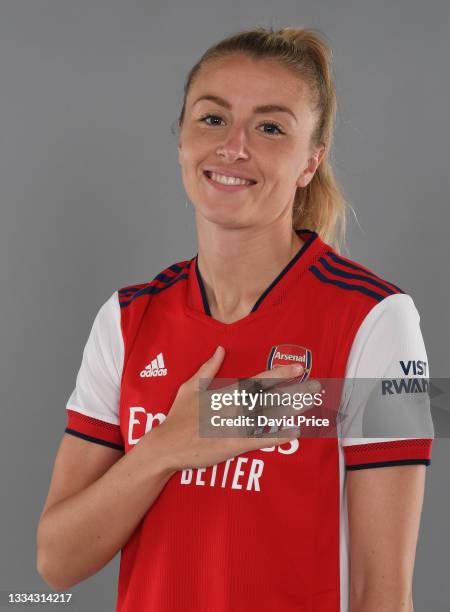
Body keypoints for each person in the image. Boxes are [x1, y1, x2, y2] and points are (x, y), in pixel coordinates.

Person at [36, 26, 433, 612]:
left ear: (310, 162)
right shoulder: (126, 318)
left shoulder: (377, 320)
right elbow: (57, 562)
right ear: (180, 141)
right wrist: (168, 445)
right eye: (212, 118)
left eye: (271, 127)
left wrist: (224, 415)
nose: (234, 146)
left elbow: (384, 594)